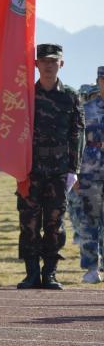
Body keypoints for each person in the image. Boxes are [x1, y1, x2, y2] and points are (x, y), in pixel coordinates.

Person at [17, 44, 84, 290]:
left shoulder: (70, 96)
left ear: (61, 64)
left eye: (53, 61)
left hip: (58, 169)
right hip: (31, 169)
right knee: (29, 222)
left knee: (54, 223)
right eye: (44, 60)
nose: (48, 65)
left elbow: (77, 134)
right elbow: (14, 132)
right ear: (36, 64)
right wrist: (17, 166)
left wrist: (73, 169)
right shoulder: (26, 95)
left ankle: (50, 273)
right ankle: (32, 273)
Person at [78, 67, 104, 284]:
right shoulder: (86, 109)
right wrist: (76, 174)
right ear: (98, 81)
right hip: (90, 170)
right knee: (89, 219)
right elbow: (77, 141)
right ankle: (91, 267)